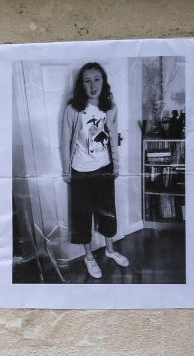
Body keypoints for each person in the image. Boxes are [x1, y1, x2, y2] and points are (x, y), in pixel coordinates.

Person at [59, 61, 129, 279]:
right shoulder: (73, 109)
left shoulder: (110, 108)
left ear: (103, 82)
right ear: (82, 84)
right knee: (82, 216)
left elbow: (113, 140)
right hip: (81, 170)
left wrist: (115, 166)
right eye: (87, 80)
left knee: (108, 212)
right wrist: (66, 171)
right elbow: (64, 142)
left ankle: (110, 250)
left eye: (96, 79)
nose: (93, 85)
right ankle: (89, 257)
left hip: (105, 168)